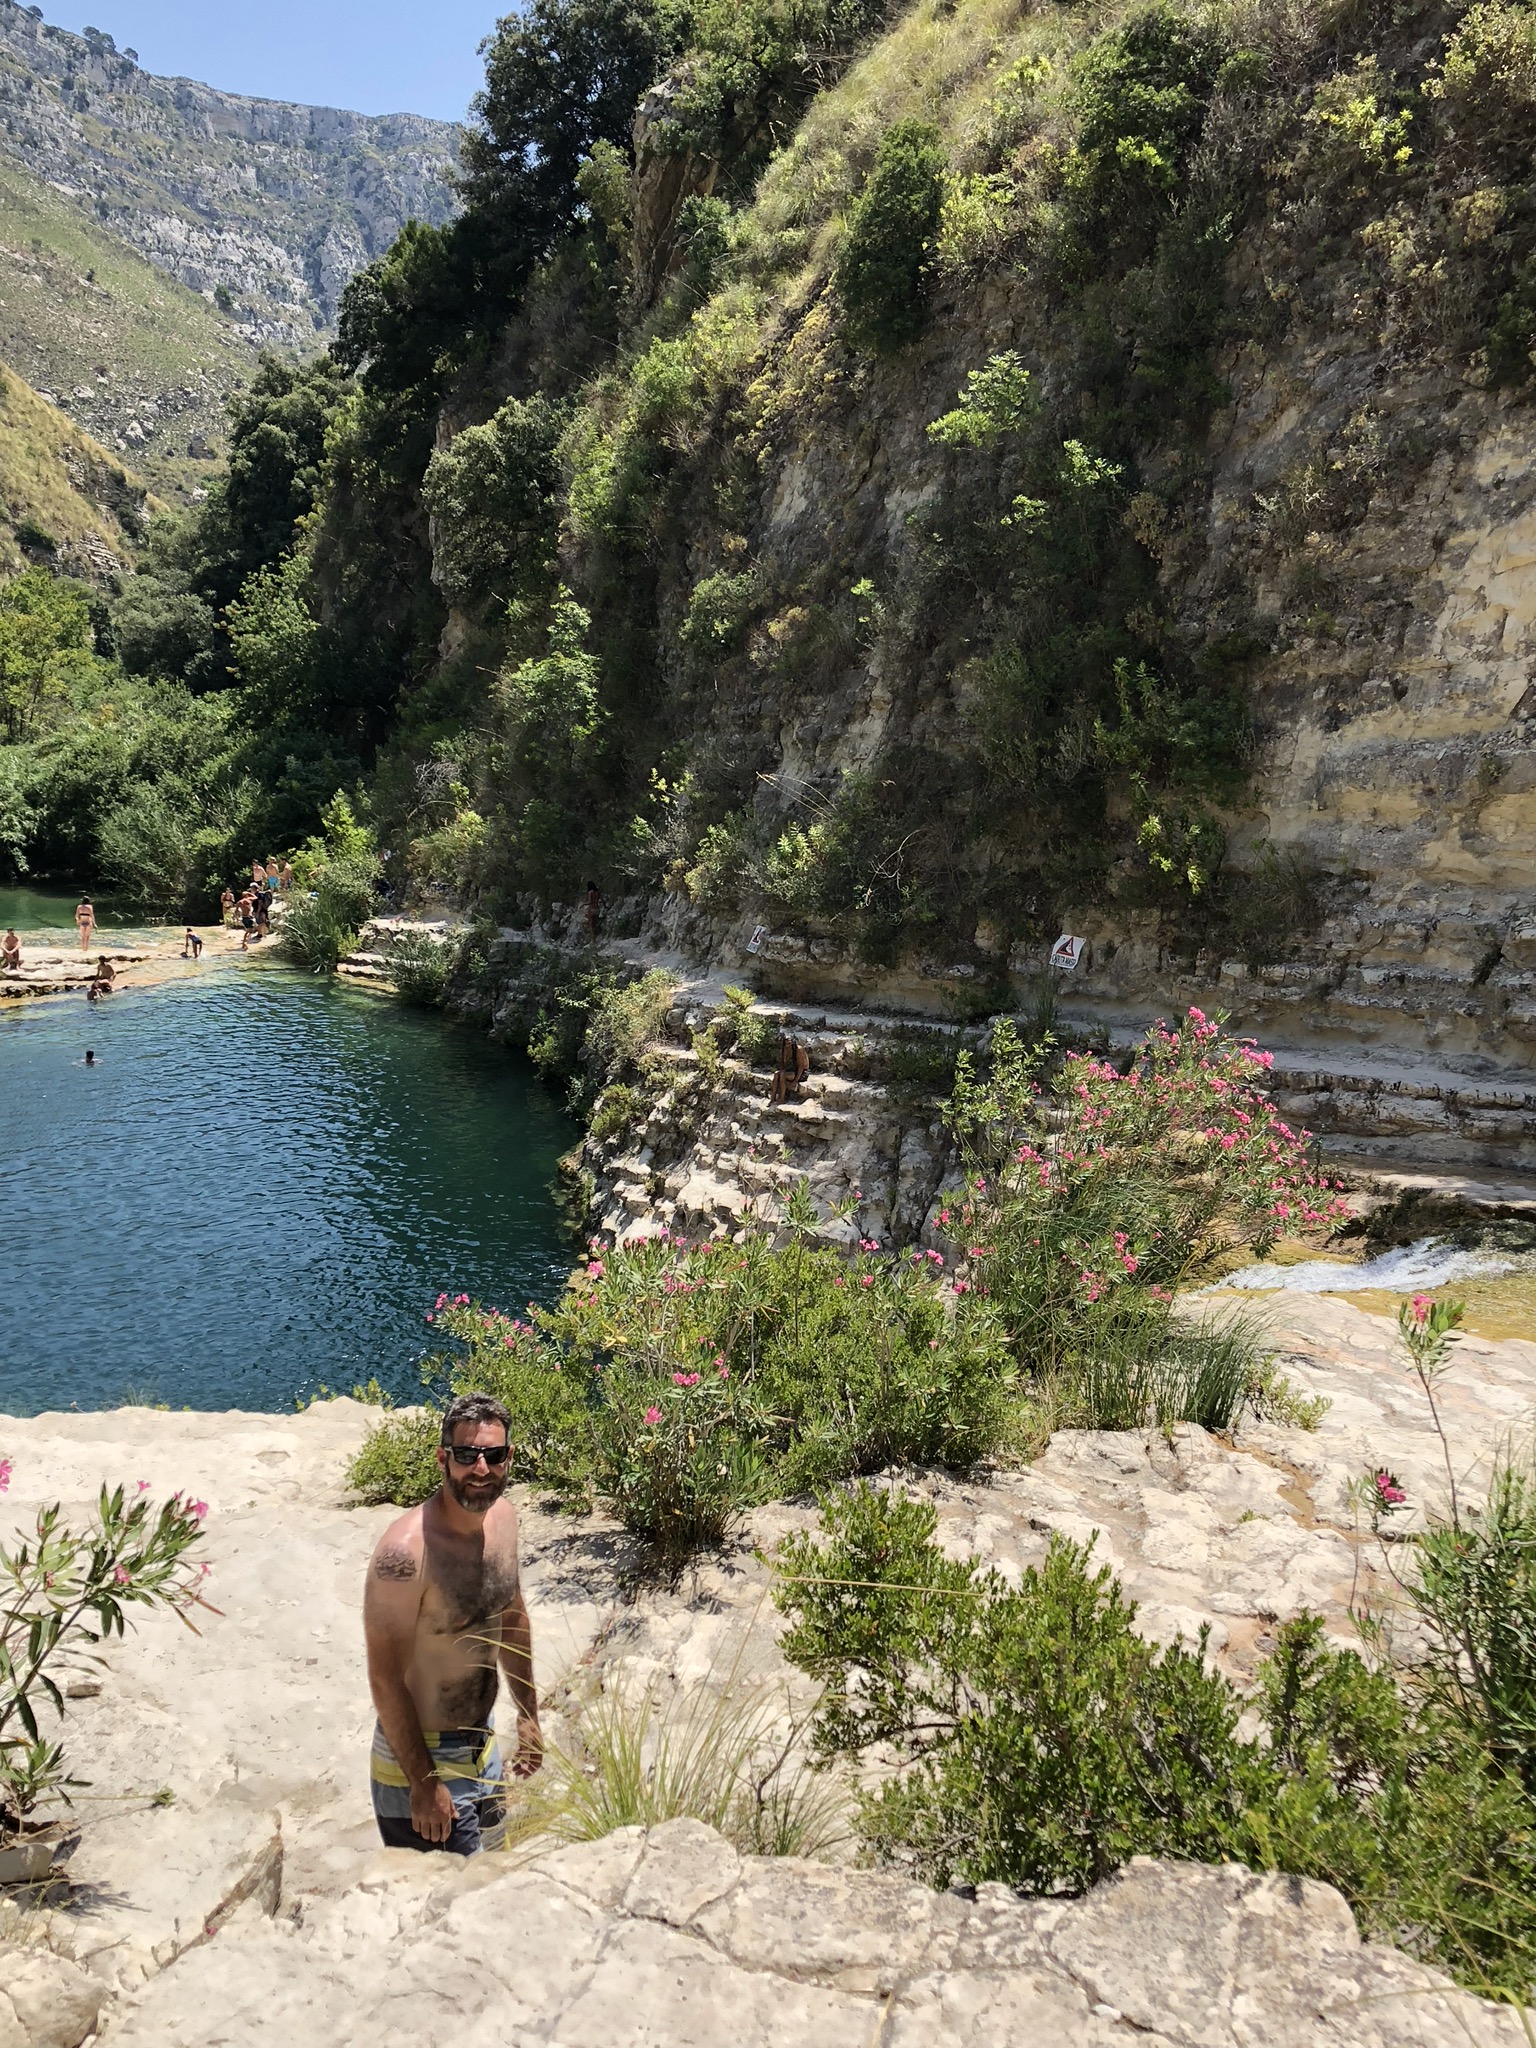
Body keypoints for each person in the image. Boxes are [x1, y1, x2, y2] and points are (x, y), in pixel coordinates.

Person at [363, 1393, 541, 1855]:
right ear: (443, 1458)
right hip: (420, 1762)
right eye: (466, 1455)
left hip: (484, 1748)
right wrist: (424, 1784)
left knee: (493, 1880)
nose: (481, 1468)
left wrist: (528, 1715)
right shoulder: (405, 1553)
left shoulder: (504, 1521)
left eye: (493, 1455)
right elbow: (384, 1679)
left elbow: (512, 1619)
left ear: (508, 1457)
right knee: (443, 1896)